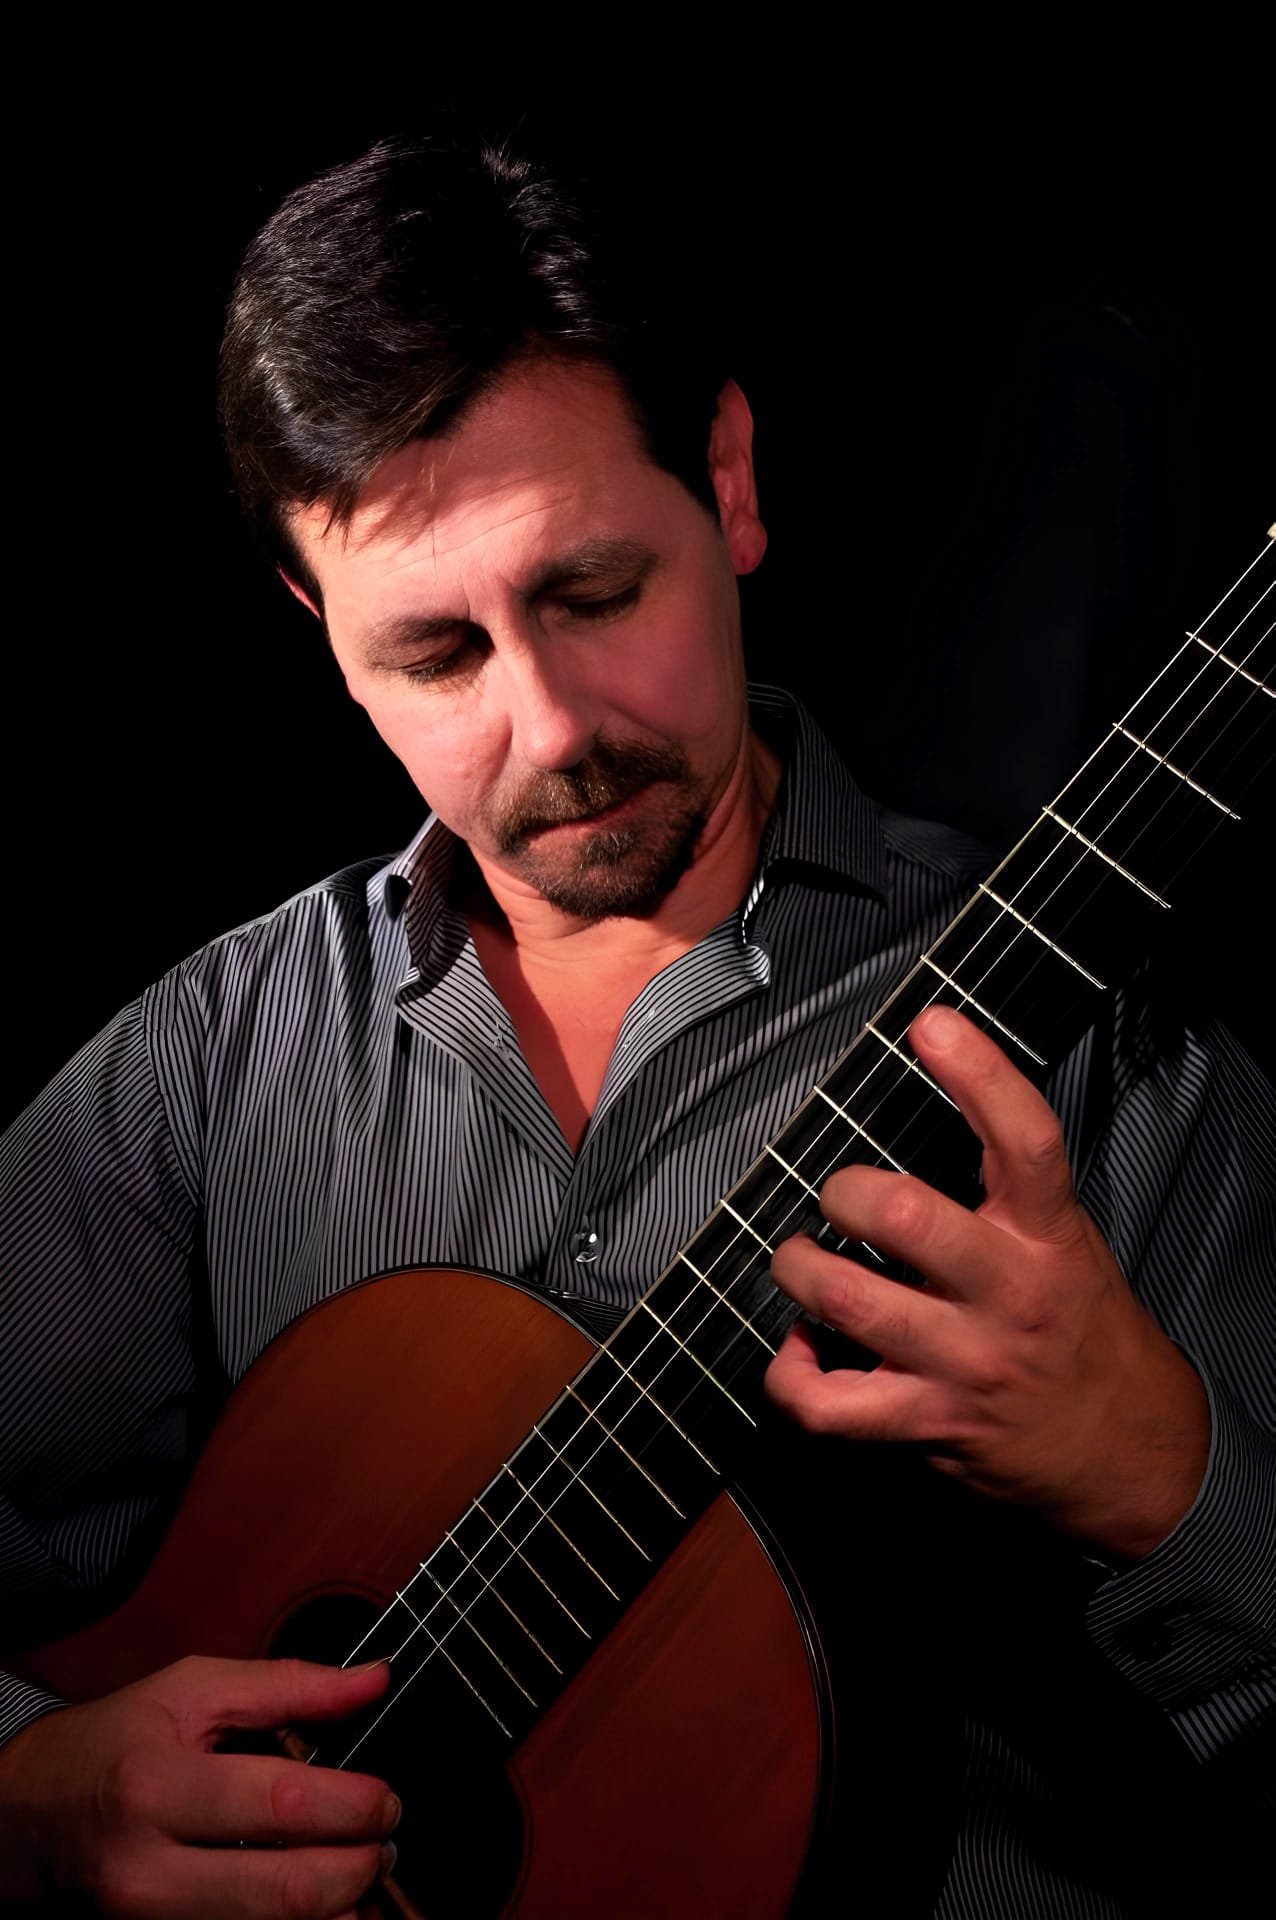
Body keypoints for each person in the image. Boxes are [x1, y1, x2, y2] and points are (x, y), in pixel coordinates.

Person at [1, 128, 1271, 1918]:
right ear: (317, 623)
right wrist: (27, 1792)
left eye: (593, 592)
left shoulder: (1099, 1061)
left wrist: (1162, 1472)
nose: (550, 725)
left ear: (728, 483)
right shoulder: (203, 1073)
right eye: (436, 654)